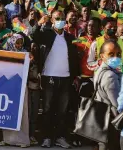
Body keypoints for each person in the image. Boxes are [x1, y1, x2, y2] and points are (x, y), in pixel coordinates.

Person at [33, 10, 79, 148]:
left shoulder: (70, 38)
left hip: (65, 78)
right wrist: (39, 23)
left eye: (62, 18)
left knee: (62, 110)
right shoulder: (46, 35)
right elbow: (33, 36)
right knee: (47, 109)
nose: (60, 20)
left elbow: (74, 59)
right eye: (57, 18)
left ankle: (60, 137)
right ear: (52, 20)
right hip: (49, 77)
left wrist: (76, 76)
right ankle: (46, 137)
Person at [94, 40, 121, 150]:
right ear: (102, 56)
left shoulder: (100, 71)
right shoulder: (110, 76)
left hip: (102, 121)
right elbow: (118, 104)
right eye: (111, 54)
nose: (116, 57)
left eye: (118, 54)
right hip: (113, 123)